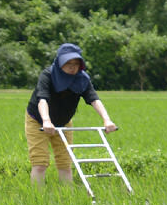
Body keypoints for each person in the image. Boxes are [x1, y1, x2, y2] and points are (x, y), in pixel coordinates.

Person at [25, 43, 117, 187]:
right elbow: (42, 99)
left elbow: (94, 99)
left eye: (76, 63)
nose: (72, 67)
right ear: (60, 62)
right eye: (68, 63)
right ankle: (37, 200)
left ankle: (67, 199)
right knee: (40, 163)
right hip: (38, 121)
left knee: (65, 163)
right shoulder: (48, 75)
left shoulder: (82, 79)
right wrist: (46, 121)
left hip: (64, 122)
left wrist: (107, 120)